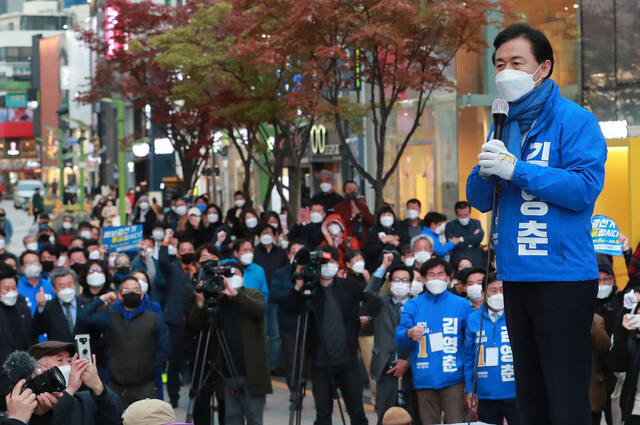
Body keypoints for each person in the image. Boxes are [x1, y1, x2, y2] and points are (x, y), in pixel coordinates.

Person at [466, 23, 607, 425]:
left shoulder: (575, 120)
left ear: (542, 68)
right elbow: (479, 200)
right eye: (498, 64)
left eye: (516, 62)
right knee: (528, 392)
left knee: (564, 393)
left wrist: (517, 170)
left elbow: (583, 188)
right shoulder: (502, 123)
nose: (505, 71)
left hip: (562, 277)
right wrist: (486, 170)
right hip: (516, 276)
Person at [282, 245, 368, 425]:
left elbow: (372, 300)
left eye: (333, 262)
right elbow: (289, 309)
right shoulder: (309, 290)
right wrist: (298, 284)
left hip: (348, 360)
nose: (330, 266)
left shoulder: (348, 286)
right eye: (325, 262)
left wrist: (364, 317)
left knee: (357, 414)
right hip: (319, 363)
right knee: (323, 415)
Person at [190, 261, 272, 425]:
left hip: (251, 371)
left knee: (254, 419)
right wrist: (200, 303)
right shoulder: (217, 300)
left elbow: (258, 310)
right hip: (226, 372)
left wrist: (235, 294)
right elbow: (195, 325)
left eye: (236, 274)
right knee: (231, 420)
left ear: (243, 276)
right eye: (227, 275)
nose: (232, 278)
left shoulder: (253, 294)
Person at [395, 258, 472, 424]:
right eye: (431, 275)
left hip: (454, 379)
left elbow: (470, 344)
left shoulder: (462, 304)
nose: (436, 278)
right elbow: (399, 340)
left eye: (440, 274)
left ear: (449, 277)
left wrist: (469, 380)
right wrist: (408, 333)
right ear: (423, 279)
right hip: (424, 379)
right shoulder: (413, 305)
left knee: (457, 422)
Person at [78, 277, 171, 408]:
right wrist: (103, 298)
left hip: (144, 387)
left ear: (142, 294)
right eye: (127, 289)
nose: (131, 292)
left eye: (136, 289)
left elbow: (165, 348)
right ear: (120, 295)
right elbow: (83, 315)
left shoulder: (154, 318)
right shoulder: (111, 316)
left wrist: (148, 366)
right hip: (116, 386)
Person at [365, 255, 420, 425]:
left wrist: (408, 362)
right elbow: (368, 293)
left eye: (405, 280)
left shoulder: (418, 305)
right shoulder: (381, 303)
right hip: (385, 365)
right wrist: (383, 265)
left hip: (412, 367)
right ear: (389, 284)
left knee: (412, 414)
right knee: (385, 413)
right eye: (396, 279)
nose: (400, 283)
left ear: (410, 284)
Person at [463, 274, 518, 425]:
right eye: (493, 290)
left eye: (502, 289)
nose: (498, 294)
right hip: (486, 394)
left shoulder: (517, 315)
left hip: (515, 392)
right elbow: (469, 357)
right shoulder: (473, 319)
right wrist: (470, 389)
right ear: (483, 294)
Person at [28, 340, 123, 425]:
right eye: (60, 360)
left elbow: (117, 418)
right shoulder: (28, 402)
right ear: (38, 369)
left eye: (69, 360)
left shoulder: (86, 399)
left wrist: (98, 387)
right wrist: (70, 389)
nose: (68, 365)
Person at [252, 225, 288, 373]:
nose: (266, 235)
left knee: (274, 335)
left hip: (274, 299)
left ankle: (271, 366)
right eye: (263, 232)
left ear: (275, 235)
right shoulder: (253, 252)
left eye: (269, 232)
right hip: (256, 298)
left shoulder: (281, 253)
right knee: (260, 334)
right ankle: (260, 364)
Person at [0, 270, 34, 408]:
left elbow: (31, 340)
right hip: (2, 380)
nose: (11, 292)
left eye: (14, 288)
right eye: (6, 289)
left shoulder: (23, 309)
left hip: (25, 379)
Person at [32, 268, 88, 343]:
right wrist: (41, 306)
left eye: (69, 284)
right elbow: (38, 330)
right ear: (54, 288)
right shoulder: (49, 307)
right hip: (59, 352)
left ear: (74, 284)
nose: (66, 289)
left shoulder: (86, 304)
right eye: (62, 286)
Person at [333, 181, 375, 245]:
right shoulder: (339, 207)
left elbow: (371, 222)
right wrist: (352, 217)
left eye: (355, 189)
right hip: (346, 243)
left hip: (362, 242)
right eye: (349, 190)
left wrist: (359, 213)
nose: (353, 191)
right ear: (344, 192)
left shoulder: (362, 206)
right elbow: (338, 225)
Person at [444, 201, 485, 266]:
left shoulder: (476, 223)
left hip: (475, 260)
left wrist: (460, 239)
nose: (463, 217)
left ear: (470, 212)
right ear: (456, 214)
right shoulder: (450, 225)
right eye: (460, 215)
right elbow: (452, 243)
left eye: (466, 215)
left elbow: (479, 238)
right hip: (457, 261)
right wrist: (472, 239)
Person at [17, 250, 54, 316]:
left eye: (35, 262)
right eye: (28, 263)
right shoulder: (16, 287)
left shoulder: (51, 286)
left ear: (41, 267)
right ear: (22, 269)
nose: (32, 266)